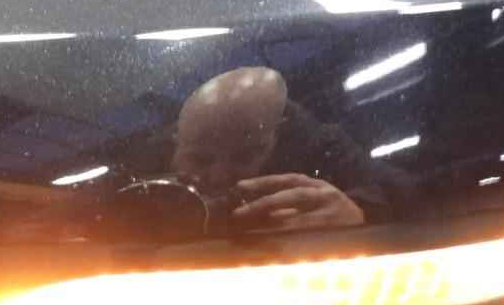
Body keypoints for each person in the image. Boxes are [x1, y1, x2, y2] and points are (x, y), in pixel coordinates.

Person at [170, 66, 401, 232]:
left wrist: (360, 214)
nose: (219, 175)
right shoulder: (152, 157)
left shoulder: (322, 148)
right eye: (199, 159)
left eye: (244, 156)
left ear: (280, 136)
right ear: (175, 144)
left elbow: (406, 193)